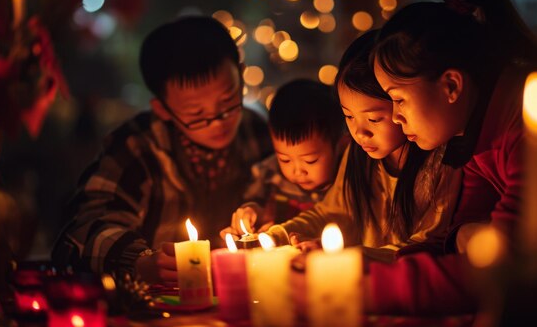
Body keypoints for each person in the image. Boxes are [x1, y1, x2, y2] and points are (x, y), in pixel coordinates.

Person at [366, 0, 537, 316]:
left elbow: (503, 270)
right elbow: (460, 232)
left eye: (399, 99)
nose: (395, 117)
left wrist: (363, 286)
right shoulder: (477, 128)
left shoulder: (530, 125)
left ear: (451, 85)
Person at [51, 16, 273, 283]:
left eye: (229, 100)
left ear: (240, 72)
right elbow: (81, 234)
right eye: (196, 114)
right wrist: (139, 261)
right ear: (163, 110)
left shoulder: (255, 130)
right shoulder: (136, 148)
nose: (219, 122)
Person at [227, 30, 462, 263]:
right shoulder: (358, 155)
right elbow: (331, 212)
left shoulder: (441, 162)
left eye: (373, 119)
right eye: (349, 117)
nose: (360, 132)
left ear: (400, 102)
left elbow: (427, 245)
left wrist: (353, 256)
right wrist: (275, 236)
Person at [220, 79, 348, 240]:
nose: (297, 171)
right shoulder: (269, 174)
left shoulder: (347, 181)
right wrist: (251, 212)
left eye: (310, 161)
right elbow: (255, 201)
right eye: (285, 159)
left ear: (341, 145)